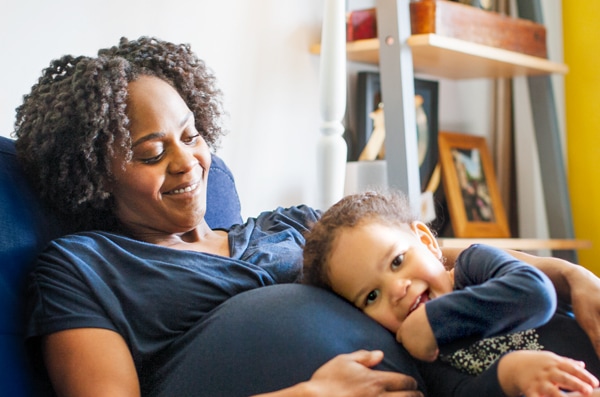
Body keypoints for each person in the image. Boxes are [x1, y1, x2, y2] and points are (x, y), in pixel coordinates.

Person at [11, 36, 600, 397]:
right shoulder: (83, 269)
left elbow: (421, 253)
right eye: (151, 153)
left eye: (191, 135)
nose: (188, 161)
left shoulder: (291, 227)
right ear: (92, 171)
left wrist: (569, 276)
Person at [303, 190, 600, 397]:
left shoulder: (474, 266)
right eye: (371, 296)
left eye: (397, 261)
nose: (396, 289)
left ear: (426, 241)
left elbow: (536, 294)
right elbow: (460, 393)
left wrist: (433, 321)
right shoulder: (418, 355)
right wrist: (509, 372)